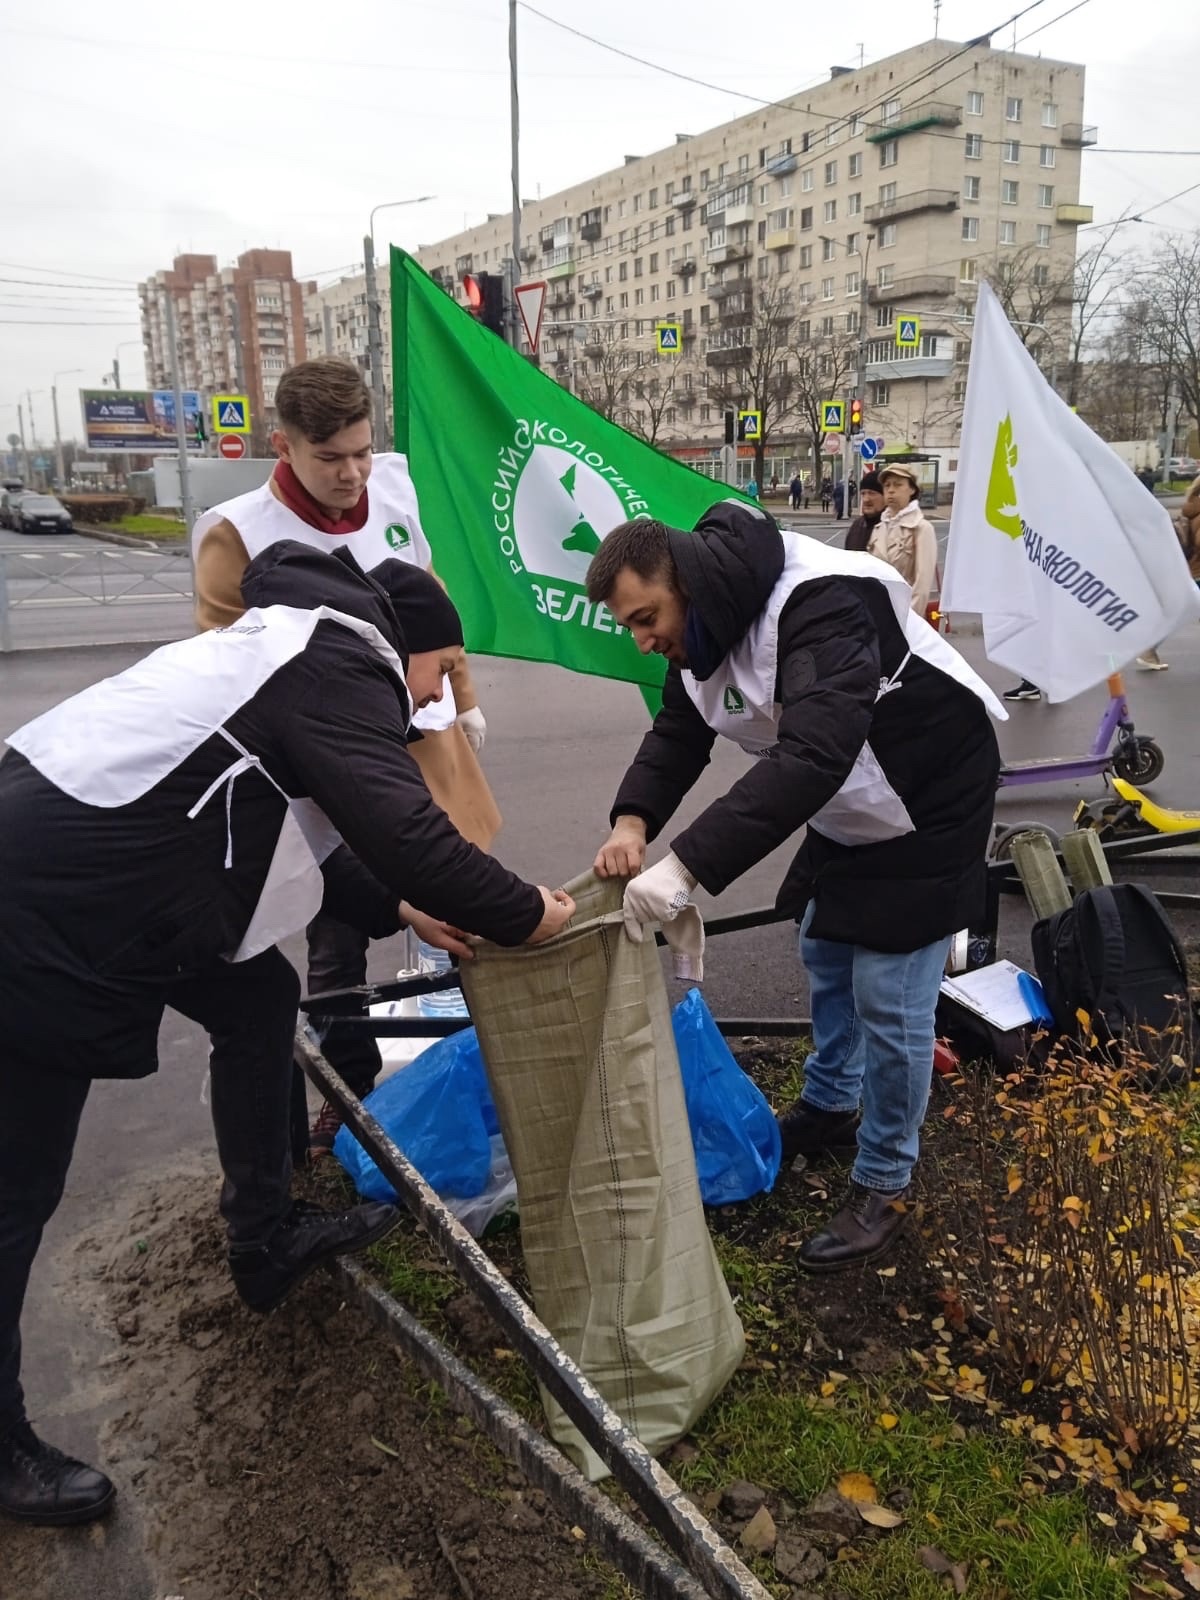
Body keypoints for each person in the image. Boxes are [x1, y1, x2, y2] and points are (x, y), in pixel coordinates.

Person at [0, 543, 575, 1526]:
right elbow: (408, 832)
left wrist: (402, 907)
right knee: (18, 1186)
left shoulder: (289, 647)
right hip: (48, 905)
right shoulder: (337, 661)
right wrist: (530, 914)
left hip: (114, 868)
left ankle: (264, 1238)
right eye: (442, 669)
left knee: (257, 995)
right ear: (405, 646)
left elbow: (300, 827)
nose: (440, 696)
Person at [586, 502, 1003, 1274]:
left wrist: (684, 868)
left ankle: (886, 1180)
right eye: (630, 627)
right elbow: (679, 732)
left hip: (931, 788)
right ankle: (832, 1104)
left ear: (688, 583)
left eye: (646, 619)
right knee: (824, 946)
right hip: (853, 795)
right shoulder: (702, 629)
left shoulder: (820, 604)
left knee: (890, 996)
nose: (643, 640)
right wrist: (633, 822)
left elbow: (813, 754)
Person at [192, 357, 500, 1156]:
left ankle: (490, 1067)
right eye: (329, 457)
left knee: (460, 900)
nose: (352, 473)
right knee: (338, 934)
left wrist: (462, 696)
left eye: (361, 451)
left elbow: (431, 599)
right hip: (321, 766)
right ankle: (351, 1093)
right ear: (283, 444)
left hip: (422, 737)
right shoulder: (238, 535)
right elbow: (227, 671)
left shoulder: (392, 487)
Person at [868, 464, 938, 615]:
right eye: (887, 485)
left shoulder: (921, 528)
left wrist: (907, 621)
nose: (891, 490)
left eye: (898, 485)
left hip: (906, 617)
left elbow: (922, 587)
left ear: (912, 489)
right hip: (877, 615)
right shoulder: (879, 528)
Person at [844, 470, 884, 553]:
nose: (866, 499)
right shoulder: (857, 525)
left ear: (885, 496)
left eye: (872, 493)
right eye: (863, 493)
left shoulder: (893, 527)